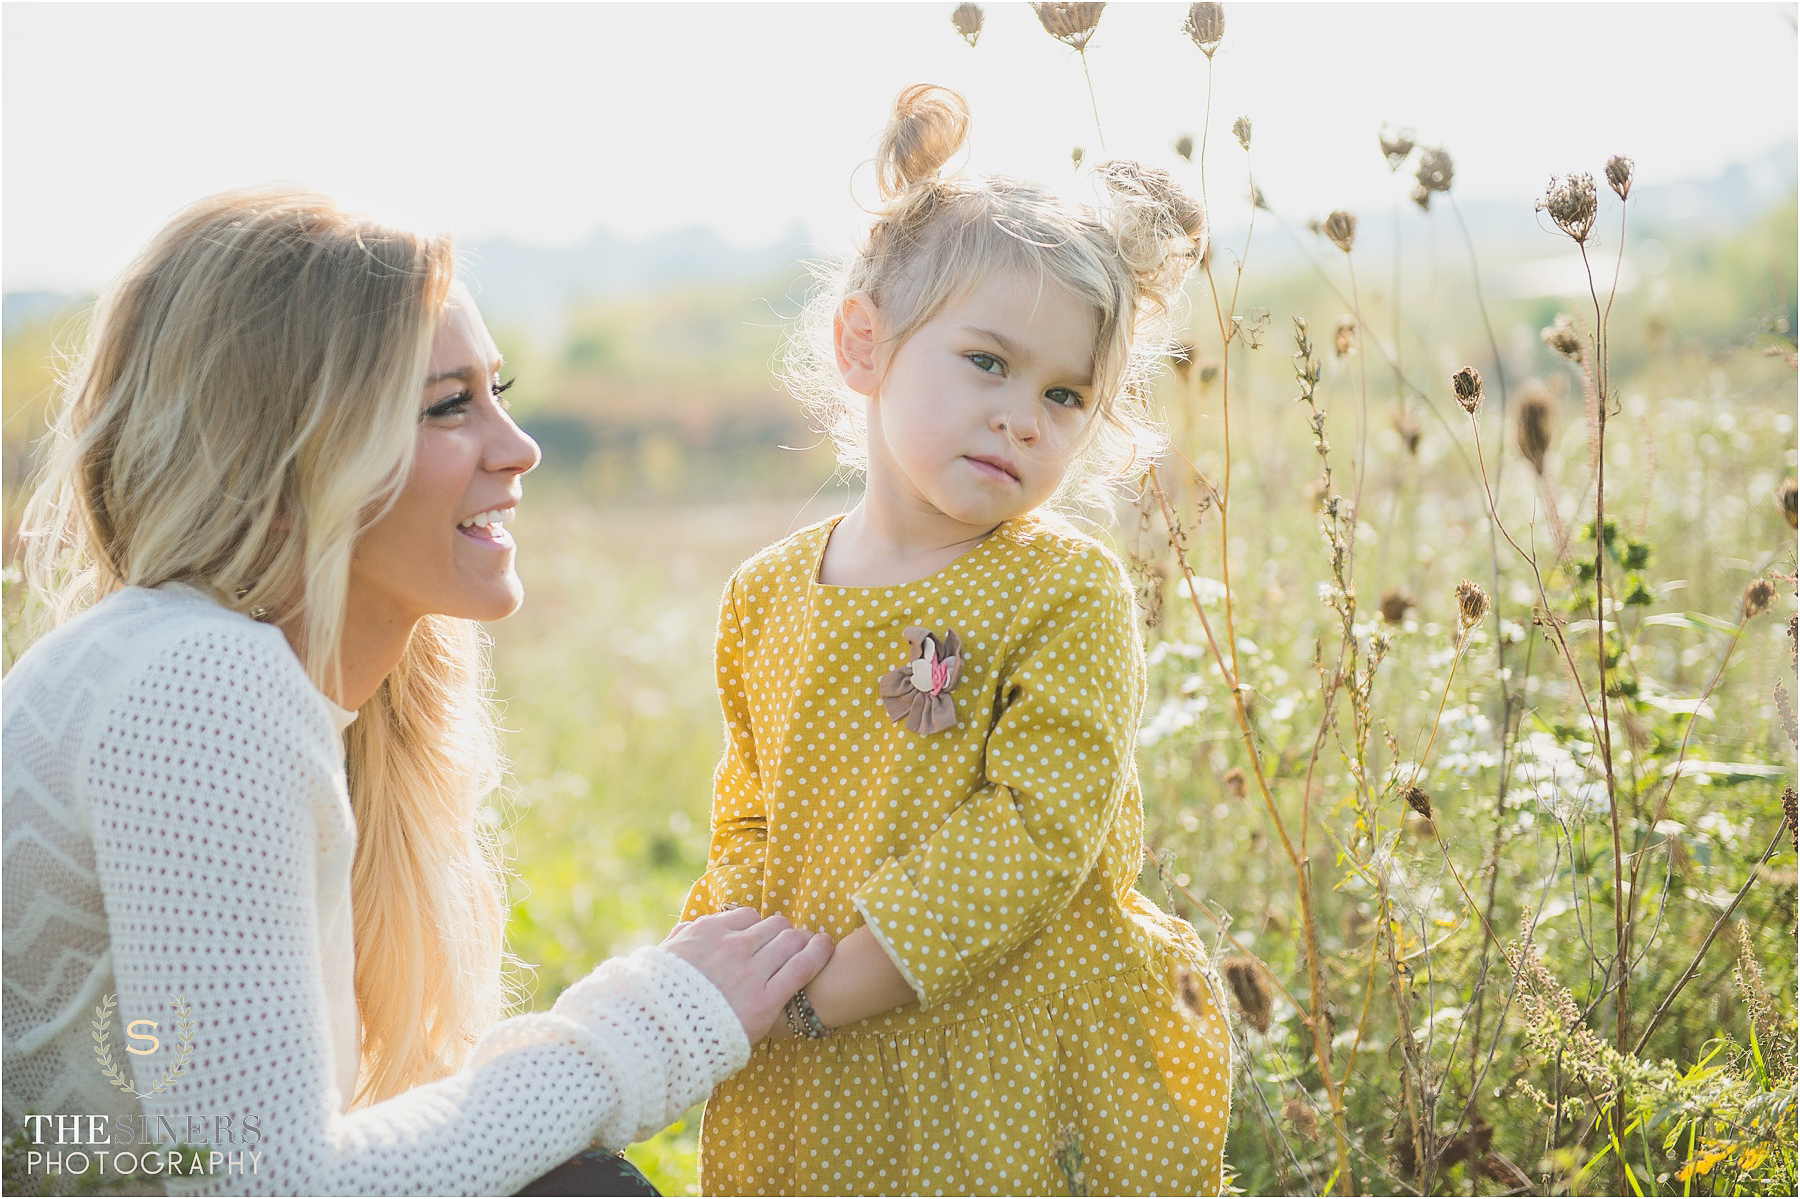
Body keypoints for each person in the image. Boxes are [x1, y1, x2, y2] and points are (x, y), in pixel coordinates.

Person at [0, 188, 832, 1197]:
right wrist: (656, 1022)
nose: (518, 447)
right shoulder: (198, 681)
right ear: (285, 452)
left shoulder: (262, 683)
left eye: (500, 389)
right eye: (448, 405)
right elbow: (266, 1186)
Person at [680, 84, 1234, 1195]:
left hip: (1002, 1046)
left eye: (1067, 393)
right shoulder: (769, 593)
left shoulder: (1062, 589)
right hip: (809, 1055)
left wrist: (832, 985)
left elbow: (1036, 827)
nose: (1024, 415)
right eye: (988, 361)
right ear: (863, 343)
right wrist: (718, 974)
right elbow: (748, 814)